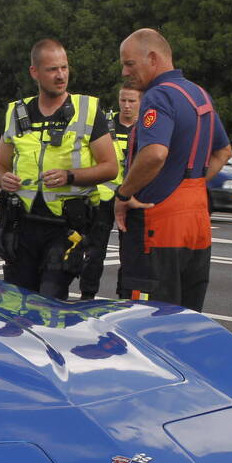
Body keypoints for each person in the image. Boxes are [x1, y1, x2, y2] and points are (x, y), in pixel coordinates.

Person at [113, 28, 232, 311]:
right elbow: (224, 151)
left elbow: (155, 154)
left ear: (152, 59)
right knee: (187, 319)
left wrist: (123, 193)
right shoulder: (199, 95)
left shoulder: (158, 97)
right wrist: (190, 185)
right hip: (197, 222)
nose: (124, 72)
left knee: (146, 320)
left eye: (130, 63)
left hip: (159, 225)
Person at [0, 39, 118, 299]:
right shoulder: (17, 112)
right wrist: (5, 180)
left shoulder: (88, 110)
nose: (61, 76)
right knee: (17, 303)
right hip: (22, 224)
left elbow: (110, 168)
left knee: (50, 301)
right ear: (34, 72)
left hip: (64, 227)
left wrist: (70, 176)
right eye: (52, 69)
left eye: (64, 68)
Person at [78, 81, 142, 300]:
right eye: (123, 100)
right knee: (95, 252)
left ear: (140, 101)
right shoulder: (105, 123)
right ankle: (87, 296)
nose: (126, 105)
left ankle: (124, 297)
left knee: (130, 254)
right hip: (104, 200)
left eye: (132, 101)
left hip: (132, 199)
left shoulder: (146, 126)